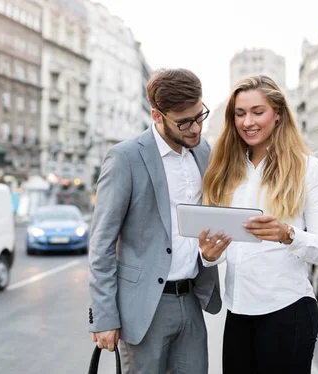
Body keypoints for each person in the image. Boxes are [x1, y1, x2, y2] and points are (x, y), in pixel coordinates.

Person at [88, 68, 224, 374]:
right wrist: (104, 316)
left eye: (199, 115)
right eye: (184, 122)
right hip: (145, 307)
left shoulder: (203, 152)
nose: (195, 128)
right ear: (157, 116)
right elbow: (102, 243)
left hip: (192, 299)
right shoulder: (125, 158)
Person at [199, 75, 318, 374]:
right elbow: (222, 248)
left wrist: (288, 235)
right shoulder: (225, 173)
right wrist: (209, 255)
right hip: (238, 313)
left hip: (289, 311)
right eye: (240, 113)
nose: (248, 121)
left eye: (257, 112)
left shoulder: (308, 169)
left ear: (278, 114)